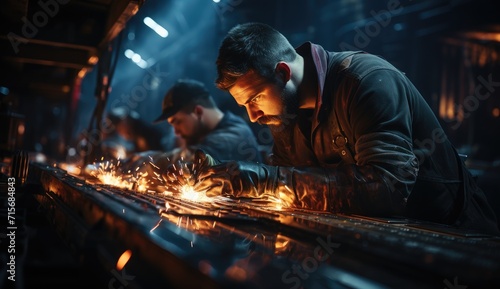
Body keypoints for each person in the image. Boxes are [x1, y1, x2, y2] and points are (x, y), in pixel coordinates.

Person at [177, 22, 499, 235]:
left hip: (455, 235)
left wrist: (265, 181)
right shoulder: (283, 112)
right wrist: (230, 181)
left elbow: (387, 189)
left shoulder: (366, 83)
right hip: (380, 241)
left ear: (284, 72)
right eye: (244, 105)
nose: (252, 116)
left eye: (256, 98)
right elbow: (287, 181)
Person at [123, 78, 262, 177]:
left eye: (177, 122)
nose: (176, 132)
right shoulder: (216, 131)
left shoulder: (232, 136)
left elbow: (183, 162)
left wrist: (138, 161)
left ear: (198, 112)